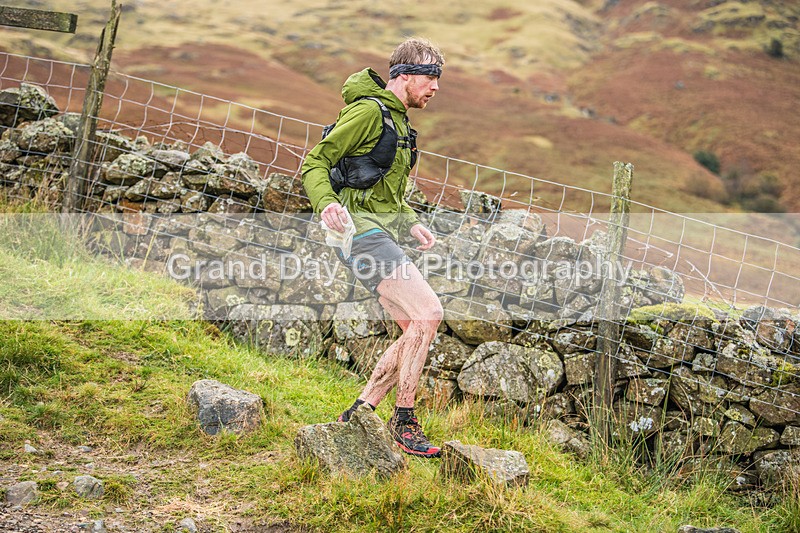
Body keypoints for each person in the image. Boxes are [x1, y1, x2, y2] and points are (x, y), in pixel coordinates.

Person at [301, 37, 445, 458]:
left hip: (377, 230)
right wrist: (326, 202)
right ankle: (404, 419)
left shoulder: (401, 125)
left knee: (412, 329)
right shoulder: (368, 112)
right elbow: (315, 162)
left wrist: (413, 222)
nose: (435, 88)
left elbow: (387, 196)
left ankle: (360, 412)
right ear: (404, 75)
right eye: (431, 77)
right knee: (429, 313)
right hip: (358, 233)